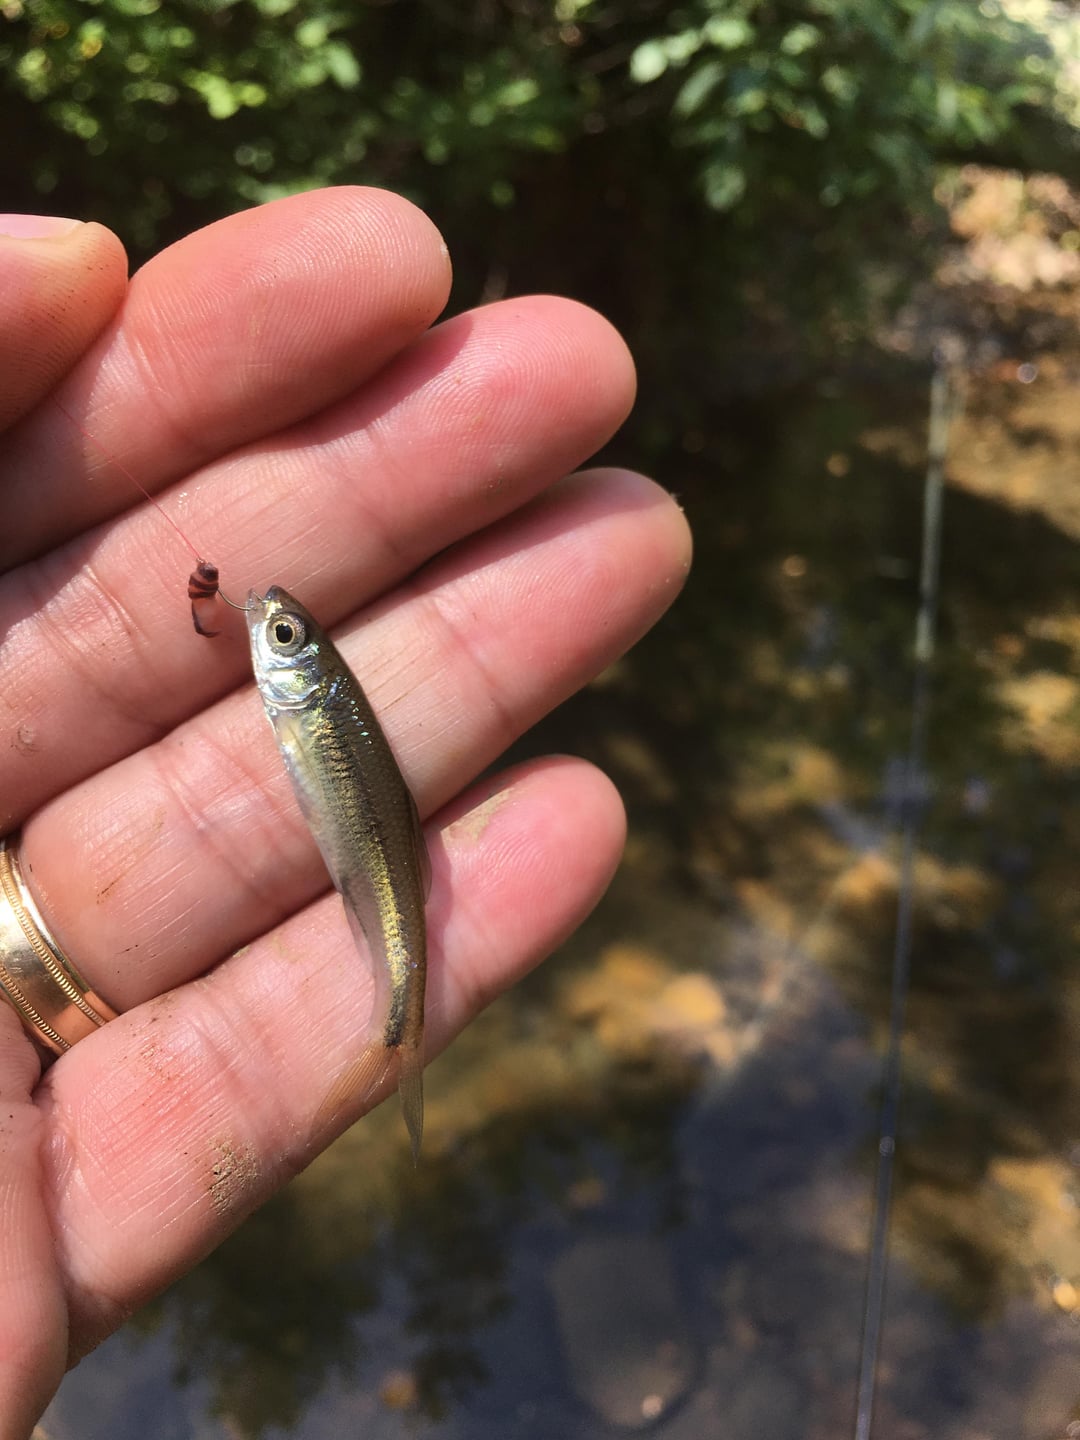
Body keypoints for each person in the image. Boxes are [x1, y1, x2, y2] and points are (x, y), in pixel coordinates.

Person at [0, 188, 691, 1438]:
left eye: (280, 637)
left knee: (394, 929)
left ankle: (396, 1021)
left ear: (297, 667)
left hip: (358, 851)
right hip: (338, 840)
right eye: (280, 634)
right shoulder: (297, 691)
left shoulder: (308, 692)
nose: (268, 633)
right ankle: (396, 1028)